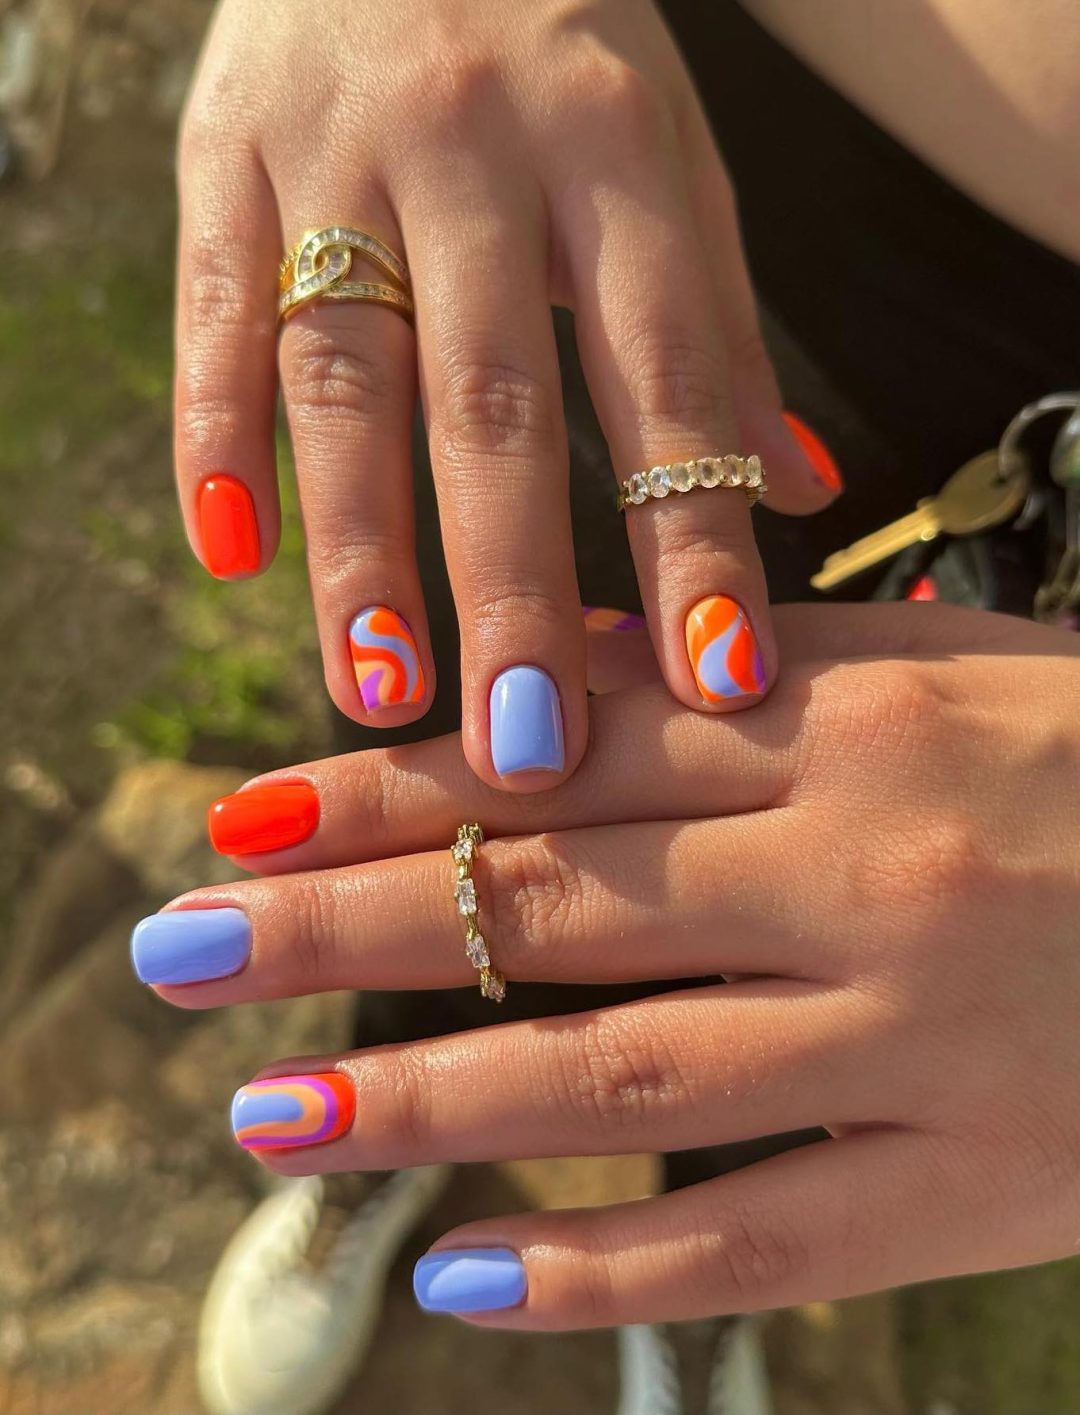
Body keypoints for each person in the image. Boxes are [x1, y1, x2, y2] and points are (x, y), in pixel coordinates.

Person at [140, 1, 1080, 1410]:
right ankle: (385, 1128)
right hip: (671, 158)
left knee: (860, 960)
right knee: (452, 734)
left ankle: (705, 1274)